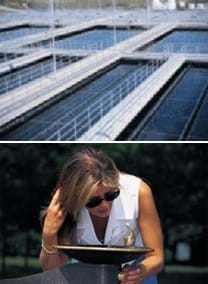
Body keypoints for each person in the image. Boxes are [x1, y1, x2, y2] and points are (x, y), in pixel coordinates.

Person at [40, 148, 164, 284]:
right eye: (93, 201)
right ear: (76, 197)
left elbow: (156, 257)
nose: (105, 205)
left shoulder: (139, 192)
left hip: (136, 268)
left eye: (111, 195)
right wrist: (49, 234)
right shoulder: (65, 208)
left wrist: (138, 272)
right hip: (86, 268)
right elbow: (52, 271)